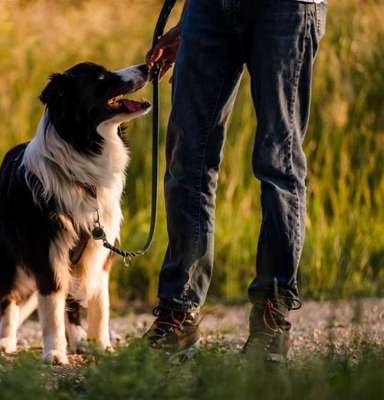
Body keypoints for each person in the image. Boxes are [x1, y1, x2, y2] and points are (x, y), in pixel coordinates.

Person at [144, 0, 327, 362]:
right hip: (208, 9)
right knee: (186, 158)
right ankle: (179, 312)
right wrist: (188, 21)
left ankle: (271, 319)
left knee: (278, 160)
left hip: (287, 9)